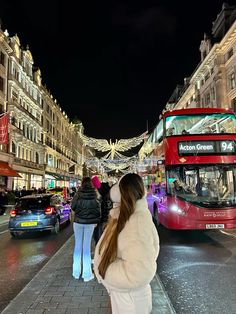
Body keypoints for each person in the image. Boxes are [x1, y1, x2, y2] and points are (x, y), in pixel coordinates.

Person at [94, 173, 159, 314]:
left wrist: (106, 271)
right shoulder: (124, 216)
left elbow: (138, 272)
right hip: (123, 295)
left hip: (130, 300)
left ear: (120, 193)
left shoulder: (137, 221)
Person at [71, 176, 101, 281]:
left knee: (77, 246)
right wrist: (95, 221)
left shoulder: (78, 194)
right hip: (89, 224)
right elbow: (98, 210)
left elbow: (73, 207)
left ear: (82, 183)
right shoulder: (95, 194)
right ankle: (86, 274)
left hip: (78, 222)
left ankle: (76, 272)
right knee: (86, 247)